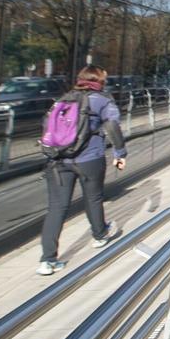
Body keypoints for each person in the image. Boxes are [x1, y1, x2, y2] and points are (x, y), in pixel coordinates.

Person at [38, 65, 127, 276]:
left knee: (57, 208)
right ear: (100, 81)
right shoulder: (102, 100)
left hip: (58, 162)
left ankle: (47, 260)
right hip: (90, 159)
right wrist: (120, 153)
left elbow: (47, 125)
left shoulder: (63, 99)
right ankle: (99, 235)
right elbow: (113, 126)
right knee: (93, 198)